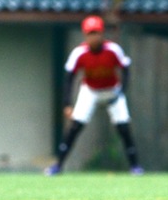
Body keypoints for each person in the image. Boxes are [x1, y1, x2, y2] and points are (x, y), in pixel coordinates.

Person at [45, 15, 144, 176]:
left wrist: (122, 92)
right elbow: (69, 78)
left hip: (112, 90)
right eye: (90, 33)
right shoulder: (79, 53)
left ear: (102, 33)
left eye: (96, 33)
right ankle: (58, 165)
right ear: (85, 35)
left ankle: (135, 166)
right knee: (75, 127)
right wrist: (67, 104)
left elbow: (125, 69)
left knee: (123, 128)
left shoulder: (113, 50)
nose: (93, 37)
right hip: (90, 91)